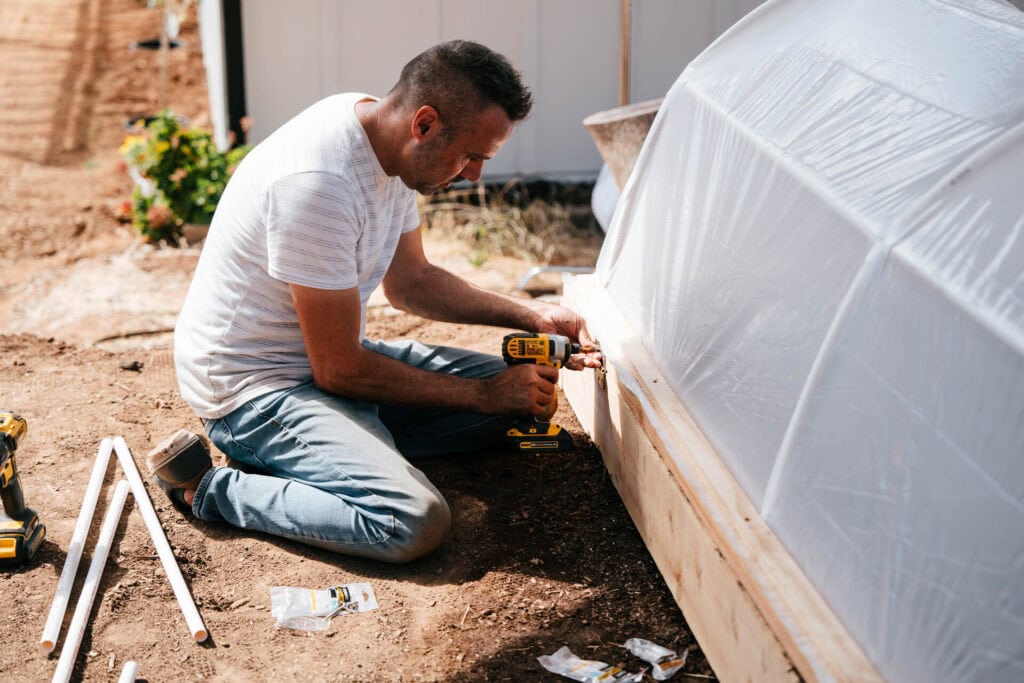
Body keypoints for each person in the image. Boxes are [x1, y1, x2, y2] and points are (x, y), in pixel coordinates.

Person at [161, 40, 601, 563]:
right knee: (412, 520)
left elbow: (411, 282)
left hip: (324, 366)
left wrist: (530, 315)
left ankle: (354, 447)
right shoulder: (319, 186)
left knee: (520, 402)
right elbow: (340, 371)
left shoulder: (382, 139)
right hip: (256, 392)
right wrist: (484, 397)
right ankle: (210, 490)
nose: (474, 174)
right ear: (425, 124)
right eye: (472, 156)